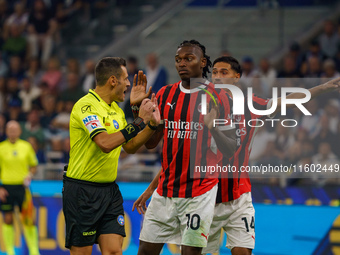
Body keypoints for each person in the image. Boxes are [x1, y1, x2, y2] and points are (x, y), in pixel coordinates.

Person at [134, 55, 340, 255]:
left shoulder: (250, 106)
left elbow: (288, 100)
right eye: (214, 72)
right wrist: (152, 188)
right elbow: (180, 158)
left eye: (224, 72)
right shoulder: (198, 107)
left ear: (237, 77)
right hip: (205, 200)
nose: (217, 77)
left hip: (238, 198)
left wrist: (323, 87)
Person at [131, 40, 235, 255]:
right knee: (145, 251)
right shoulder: (164, 95)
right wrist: (137, 110)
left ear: (203, 62)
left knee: (189, 253)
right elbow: (151, 143)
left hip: (199, 192)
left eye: (189, 59)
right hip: (166, 191)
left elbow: (231, 150)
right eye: (178, 60)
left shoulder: (220, 97)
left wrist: (214, 128)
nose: (182, 64)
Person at [62, 57, 160, 255]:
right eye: (125, 79)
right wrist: (140, 121)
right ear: (113, 80)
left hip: (109, 191)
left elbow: (130, 146)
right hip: (82, 191)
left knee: (114, 251)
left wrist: (151, 125)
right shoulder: (86, 106)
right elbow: (105, 143)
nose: (128, 84)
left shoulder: (116, 109)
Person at [0, 120, 40, 255]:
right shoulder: (1, 148)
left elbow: (34, 165)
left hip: (23, 188)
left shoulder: (26, 146)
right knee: (8, 218)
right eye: (9, 129)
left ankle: (34, 251)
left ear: (20, 131)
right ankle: (10, 251)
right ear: (6, 131)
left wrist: (30, 174)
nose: (12, 132)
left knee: (29, 220)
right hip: (6, 187)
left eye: (15, 129)